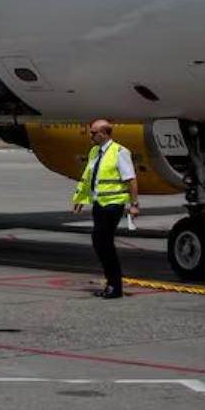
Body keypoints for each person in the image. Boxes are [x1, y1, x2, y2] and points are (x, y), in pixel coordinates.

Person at [71, 119, 136, 299]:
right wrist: (80, 198)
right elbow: (88, 177)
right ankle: (112, 284)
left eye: (93, 133)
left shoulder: (120, 152)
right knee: (101, 243)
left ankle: (115, 286)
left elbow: (131, 179)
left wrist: (134, 205)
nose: (90, 136)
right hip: (99, 203)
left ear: (105, 133)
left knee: (102, 241)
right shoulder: (94, 152)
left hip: (114, 204)